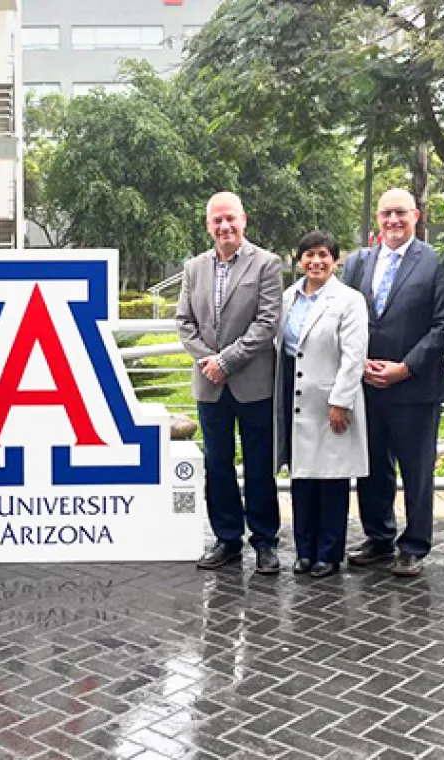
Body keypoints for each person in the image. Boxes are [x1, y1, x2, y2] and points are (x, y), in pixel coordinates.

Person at [342, 189, 444, 577]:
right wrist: (357, 365)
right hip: (366, 385)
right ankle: (378, 538)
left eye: (401, 213)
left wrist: (404, 368)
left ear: (416, 216)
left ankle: (415, 545)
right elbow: (344, 316)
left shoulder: (438, 261)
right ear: (377, 217)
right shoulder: (358, 262)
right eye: (386, 213)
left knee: (416, 470)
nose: (393, 220)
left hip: (415, 386)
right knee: (371, 467)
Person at [176, 192, 283, 575]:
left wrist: (226, 360)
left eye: (230, 219)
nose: (224, 227)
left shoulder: (267, 264)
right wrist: (209, 361)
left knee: (258, 466)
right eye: (217, 220)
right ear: (208, 225)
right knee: (217, 465)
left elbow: (267, 322)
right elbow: (184, 322)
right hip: (210, 386)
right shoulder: (194, 268)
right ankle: (226, 539)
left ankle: (266, 542)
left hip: (253, 384)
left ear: (244, 221)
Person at [275, 231, 369, 578]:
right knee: (302, 477)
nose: (316, 261)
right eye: (309, 255)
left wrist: (341, 401)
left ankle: (328, 554)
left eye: (323, 255)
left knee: (331, 479)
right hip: (294, 396)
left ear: (335, 260)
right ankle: (304, 551)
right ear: (299, 259)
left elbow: (353, 354)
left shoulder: (349, 300)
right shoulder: (288, 297)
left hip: (330, 401)